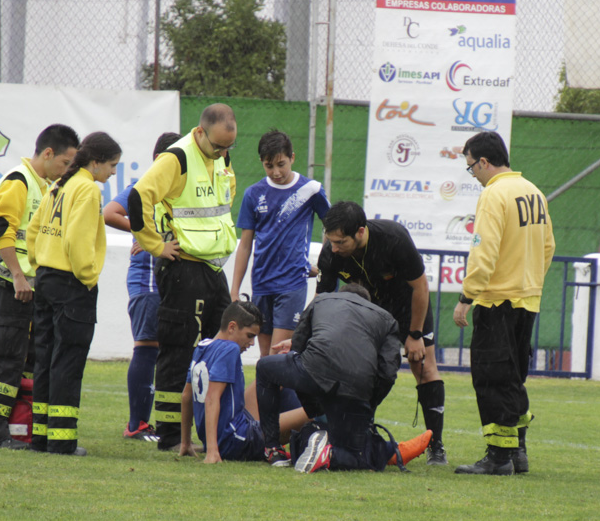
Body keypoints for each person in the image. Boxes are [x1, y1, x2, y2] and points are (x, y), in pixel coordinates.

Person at [127, 104, 239, 451]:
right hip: (183, 267)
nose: (222, 153)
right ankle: (172, 435)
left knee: (215, 345)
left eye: (228, 148)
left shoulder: (220, 156)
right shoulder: (177, 158)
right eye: (218, 146)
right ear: (201, 132)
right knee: (178, 349)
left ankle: (209, 431)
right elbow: (137, 198)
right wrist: (155, 246)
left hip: (212, 268)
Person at [453, 131, 554, 476]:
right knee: (512, 376)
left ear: (483, 161)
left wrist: (468, 296)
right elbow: (548, 247)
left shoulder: (494, 194)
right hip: (528, 299)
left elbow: (484, 251)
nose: (473, 176)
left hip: (497, 300)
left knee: (491, 376)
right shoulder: (533, 192)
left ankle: (498, 456)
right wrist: (531, 282)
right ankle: (517, 450)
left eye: (471, 168)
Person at [316, 201, 448, 465]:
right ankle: (361, 434)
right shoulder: (330, 253)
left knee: (423, 367)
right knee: (363, 370)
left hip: (408, 307)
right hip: (369, 313)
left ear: (361, 232)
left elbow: (421, 287)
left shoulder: (393, 238)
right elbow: (322, 300)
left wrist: (415, 334)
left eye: (341, 242)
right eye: (331, 241)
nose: (334, 248)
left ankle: (437, 446)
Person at [0, 124, 79, 449]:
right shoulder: (19, 181)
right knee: (8, 357)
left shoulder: (44, 185)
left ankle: (23, 428)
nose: (66, 171)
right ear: (48, 154)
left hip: (31, 285)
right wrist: (18, 274)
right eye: (64, 164)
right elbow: (1, 230)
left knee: (30, 360)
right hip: (11, 282)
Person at [256, 284, 433, 473]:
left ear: (341, 296)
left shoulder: (322, 300)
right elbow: (388, 372)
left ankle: (274, 447)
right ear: (367, 303)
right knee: (355, 453)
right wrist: (368, 404)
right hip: (357, 385)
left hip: (315, 372)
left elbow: (298, 347)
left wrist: (311, 399)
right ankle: (387, 451)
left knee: (265, 368)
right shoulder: (386, 319)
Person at [27, 132, 122, 456]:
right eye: (111, 166)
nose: (112, 173)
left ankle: (40, 436)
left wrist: (38, 262)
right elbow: (78, 241)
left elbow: (33, 230)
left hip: (46, 280)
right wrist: (89, 277)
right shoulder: (87, 189)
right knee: (68, 362)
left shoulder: (59, 185)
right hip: (72, 284)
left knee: (45, 359)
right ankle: (63, 441)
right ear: (95, 163)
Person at [103, 131, 181, 442]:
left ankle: (161, 424)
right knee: (147, 348)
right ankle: (137, 424)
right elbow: (109, 213)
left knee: (163, 350)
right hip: (148, 282)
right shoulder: (143, 187)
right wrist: (147, 235)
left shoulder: (178, 190)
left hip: (170, 284)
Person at [229, 130, 331, 358]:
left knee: (279, 357)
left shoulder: (311, 190)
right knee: (266, 359)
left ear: (292, 157)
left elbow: (333, 227)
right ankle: (258, 396)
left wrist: (323, 264)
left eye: (281, 164)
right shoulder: (253, 194)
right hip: (261, 284)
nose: (276, 172)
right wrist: (235, 289)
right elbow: (245, 245)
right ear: (261, 163)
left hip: (291, 283)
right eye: (269, 165)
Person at [177, 300, 310, 464]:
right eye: (250, 336)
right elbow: (212, 398)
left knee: (271, 373)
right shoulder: (230, 349)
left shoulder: (203, 346)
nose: (252, 343)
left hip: (230, 431)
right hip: (237, 439)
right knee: (312, 412)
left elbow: (186, 396)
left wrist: (185, 442)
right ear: (232, 327)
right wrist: (212, 452)